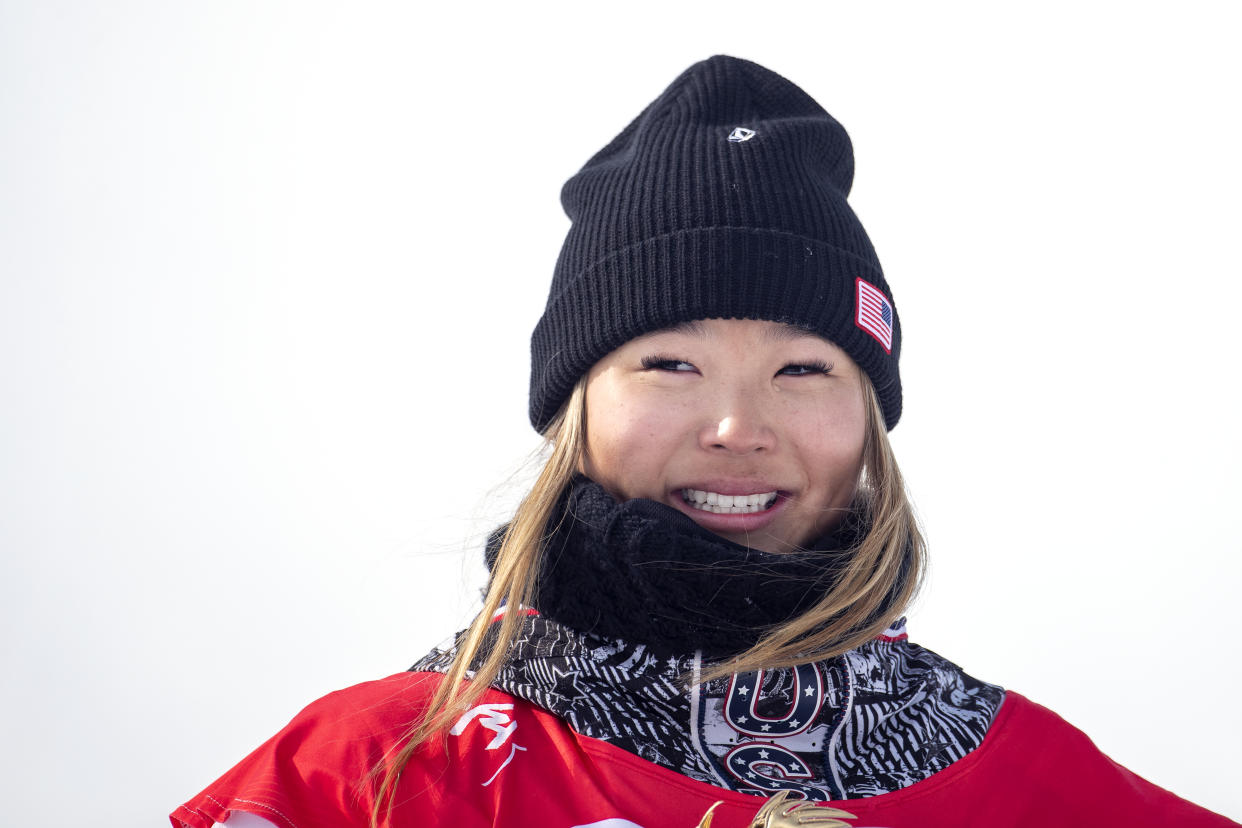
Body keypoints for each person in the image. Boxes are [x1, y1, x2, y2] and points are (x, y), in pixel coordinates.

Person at [171, 55, 1237, 828]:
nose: (738, 428)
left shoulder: (1039, 793)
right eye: (670, 365)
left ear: (870, 417)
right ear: (573, 407)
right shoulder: (363, 779)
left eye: (804, 369)